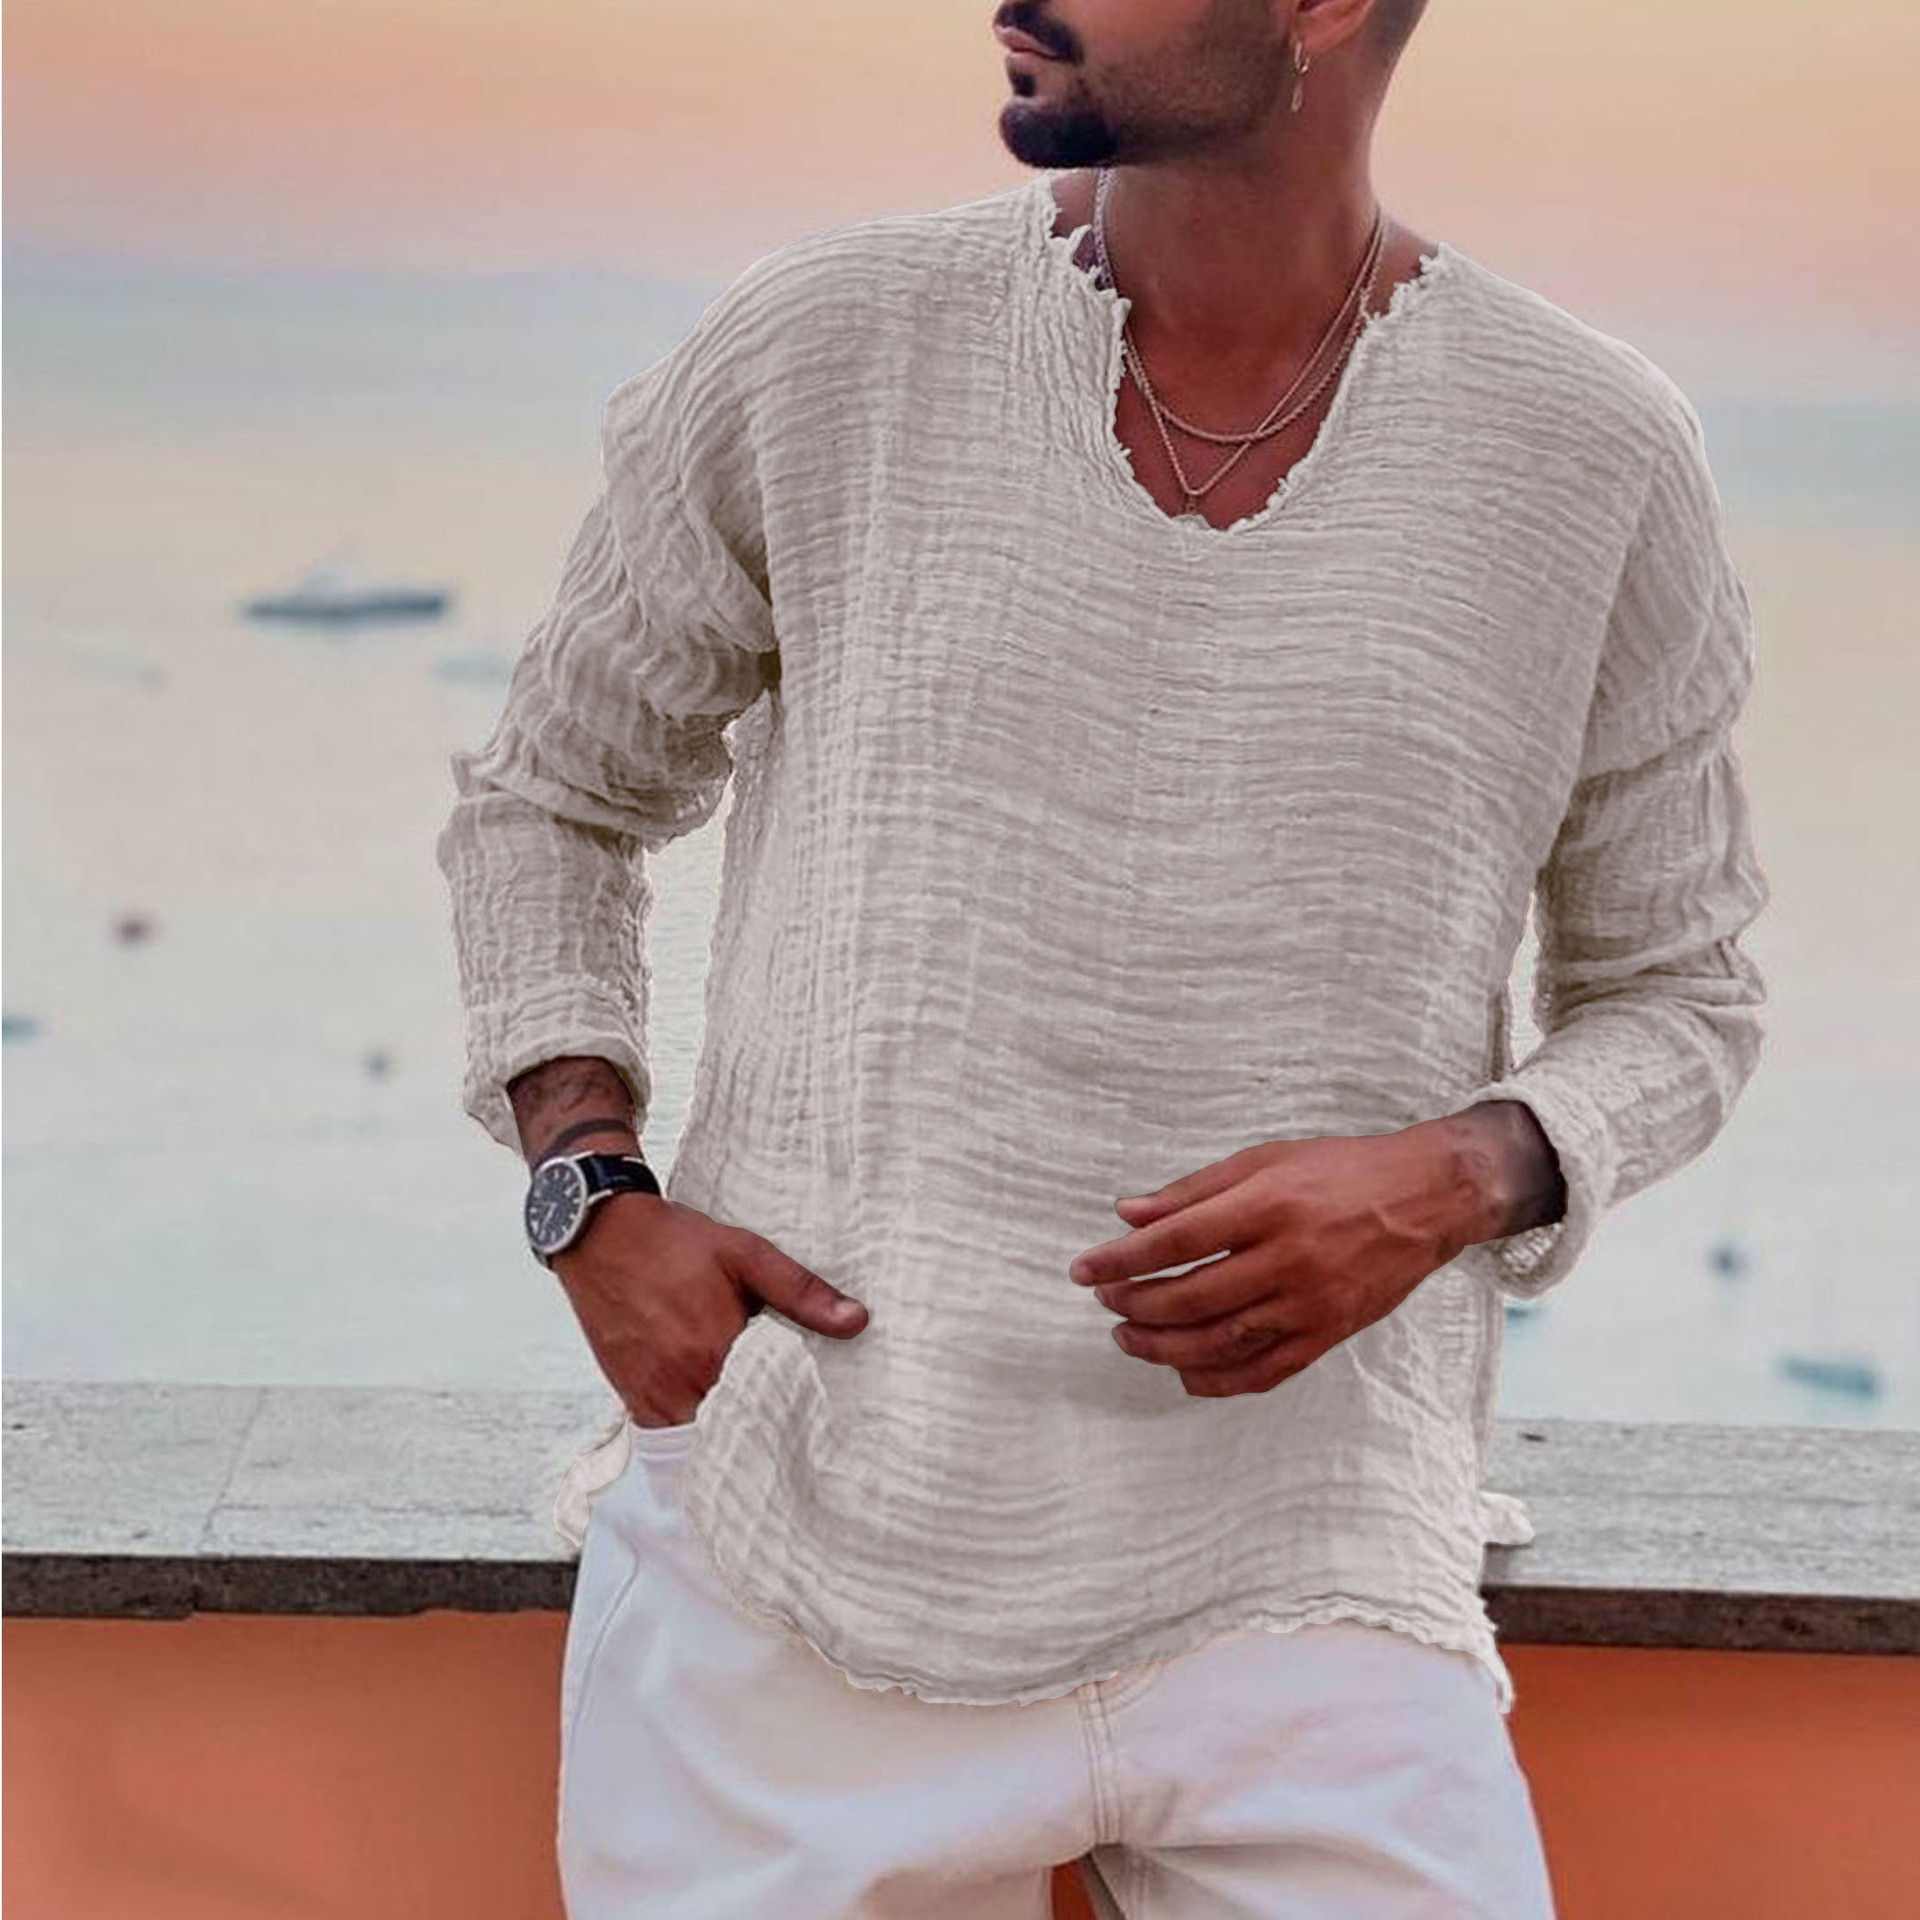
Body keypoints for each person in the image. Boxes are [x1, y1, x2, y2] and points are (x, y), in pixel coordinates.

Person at [434, 1, 1770, 1913]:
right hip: (801, 1556)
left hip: (1315, 1572)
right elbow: (549, 800)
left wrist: (1457, 1175)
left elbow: (1682, 992)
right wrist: (590, 1194)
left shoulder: (1588, 451)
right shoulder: (827, 345)